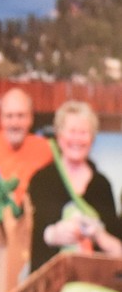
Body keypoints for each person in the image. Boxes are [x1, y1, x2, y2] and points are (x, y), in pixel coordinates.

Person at [27, 99, 122, 271]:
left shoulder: (102, 185)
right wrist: (53, 235)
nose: (77, 139)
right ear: (59, 135)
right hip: (49, 283)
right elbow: (26, 239)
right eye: (71, 131)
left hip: (93, 282)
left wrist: (98, 235)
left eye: (84, 132)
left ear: (92, 138)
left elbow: (117, 248)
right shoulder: (41, 180)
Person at [0, 86, 52, 206]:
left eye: (21, 116)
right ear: (1, 119)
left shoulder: (47, 149)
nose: (14, 123)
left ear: (30, 118)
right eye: (9, 116)